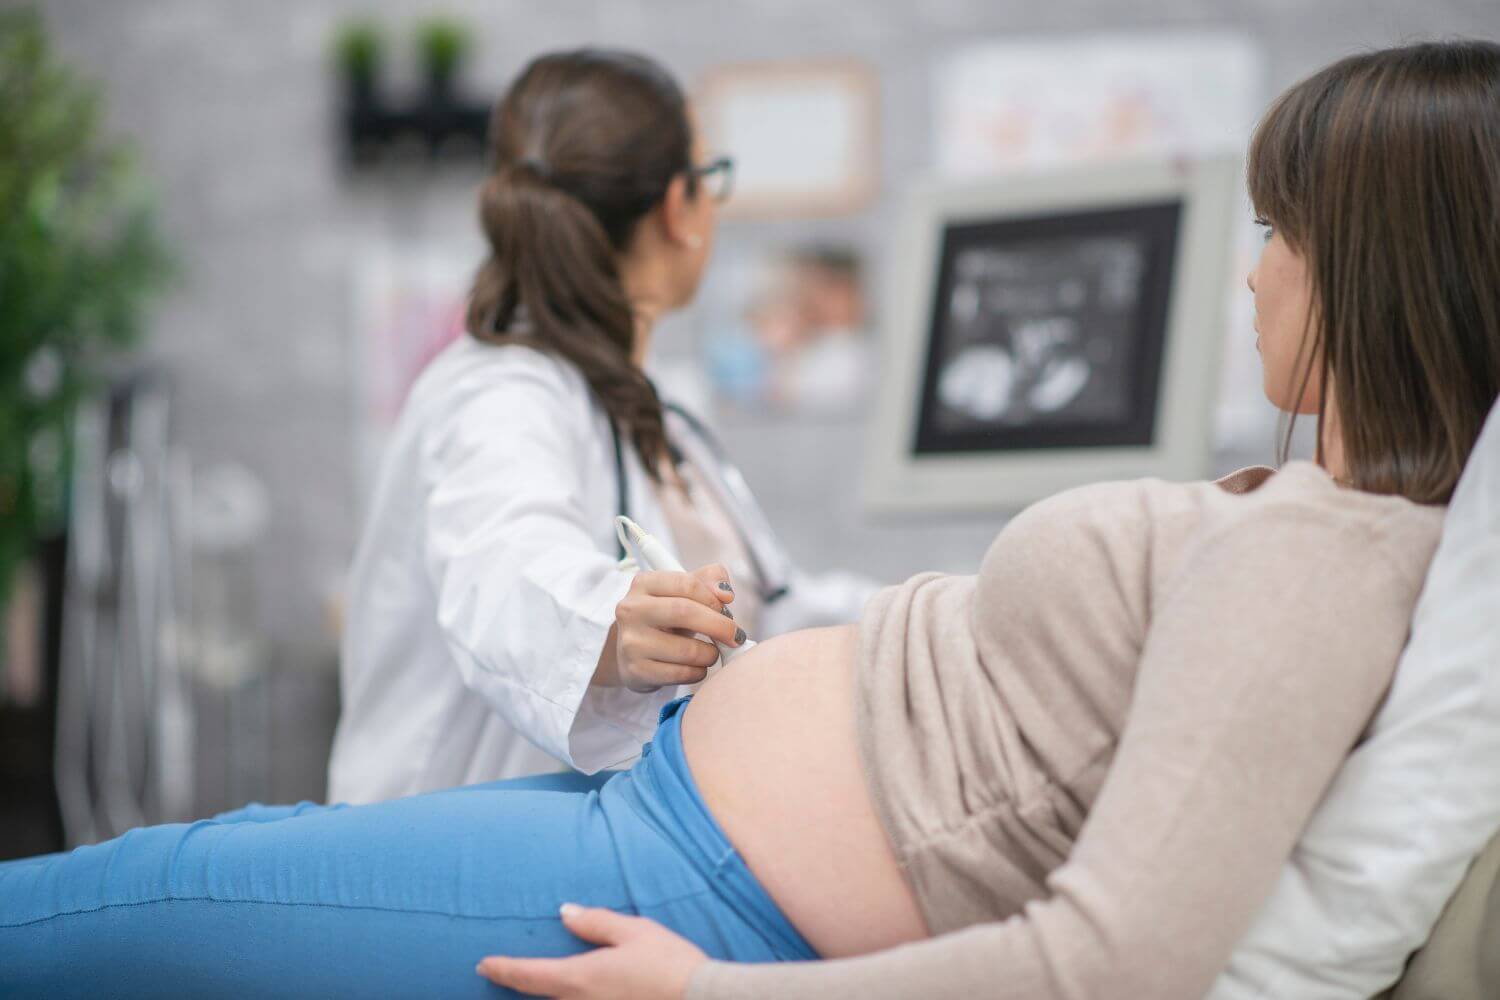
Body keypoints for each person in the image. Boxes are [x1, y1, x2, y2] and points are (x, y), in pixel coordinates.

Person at [4, 39, 1498, 1000]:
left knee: (153, 897)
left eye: (1278, 236)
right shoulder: (1294, 521)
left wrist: (709, 995)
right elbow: (515, 551)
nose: (1251, 277)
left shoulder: (1323, 559)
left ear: (1379, 266)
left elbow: (1112, 959)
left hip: (703, 882)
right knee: (218, 858)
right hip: (664, 808)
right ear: (675, 210)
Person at [327, 49, 875, 803]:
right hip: (453, 850)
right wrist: (610, 628)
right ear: (680, 209)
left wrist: (932, 615)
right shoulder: (499, 395)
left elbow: (773, 609)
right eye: (712, 179)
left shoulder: (653, 406)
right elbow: (505, 566)